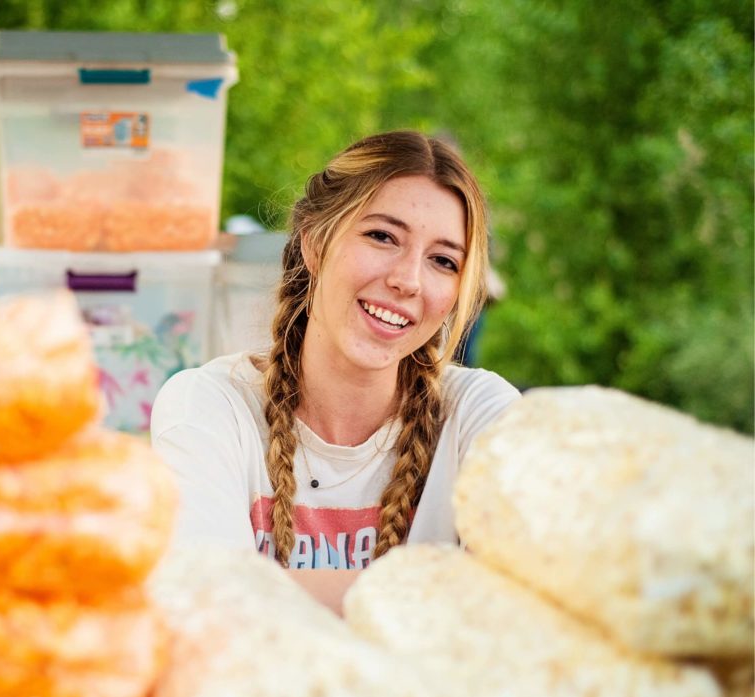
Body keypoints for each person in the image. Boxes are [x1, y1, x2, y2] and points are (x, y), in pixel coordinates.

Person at [150, 130, 520, 613]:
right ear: (315, 242)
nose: (407, 280)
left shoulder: (480, 415)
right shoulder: (209, 408)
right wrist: (448, 595)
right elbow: (205, 603)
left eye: (443, 261)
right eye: (382, 236)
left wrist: (266, 590)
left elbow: (527, 603)